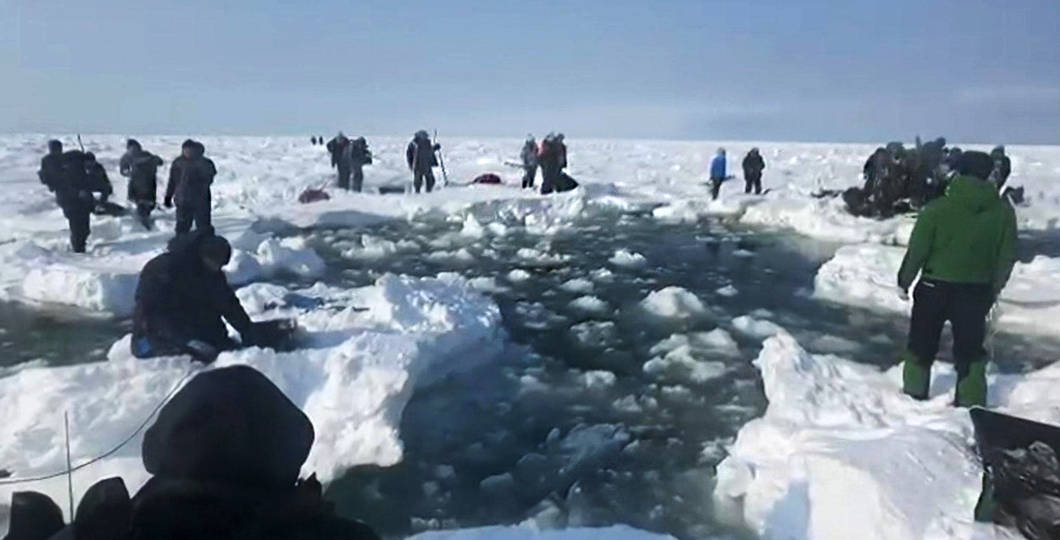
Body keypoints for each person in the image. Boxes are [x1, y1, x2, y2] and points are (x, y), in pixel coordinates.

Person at [897, 151, 1018, 408]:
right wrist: (994, 287)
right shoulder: (1003, 213)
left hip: (933, 288)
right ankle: (970, 403)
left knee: (921, 343)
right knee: (971, 351)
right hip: (976, 292)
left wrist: (903, 281)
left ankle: (913, 397)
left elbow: (918, 250)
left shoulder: (936, 209)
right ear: (989, 174)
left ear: (959, 172)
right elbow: (1007, 256)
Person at [131, 228, 254, 364]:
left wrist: (246, 329)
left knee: (225, 351)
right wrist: (185, 341)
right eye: (215, 263)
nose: (217, 268)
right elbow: (151, 313)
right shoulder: (162, 269)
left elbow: (226, 303)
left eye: (221, 265)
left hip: (190, 327)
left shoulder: (211, 272)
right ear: (202, 256)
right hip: (153, 335)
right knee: (195, 357)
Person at [38, 142, 110, 253]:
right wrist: (77, 193)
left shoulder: (87, 166)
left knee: (85, 228)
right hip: (68, 199)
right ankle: (78, 250)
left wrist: (101, 198)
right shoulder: (67, 167)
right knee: (76, 225)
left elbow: (104, 186)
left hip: (83, 200)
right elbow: (63, 185)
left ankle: (80, 245)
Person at [165, 139, 216, 234]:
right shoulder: (178, 162)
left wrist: (197, 180)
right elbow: (172, 181)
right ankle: (180, 246)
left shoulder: (204, 162)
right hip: (182, 200)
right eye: (185, 150)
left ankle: (205, 246)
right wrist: (168, 196)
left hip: (201, 200)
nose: (187, 152)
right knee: (182, 226)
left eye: (190, 150)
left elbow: (209, 178)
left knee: (203, 226)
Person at [120, 138, 165, 229]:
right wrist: (130, 173)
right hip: (136, 184)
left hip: (149, 183)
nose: (133, 150)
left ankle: (145, 221)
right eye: (131, 148)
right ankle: (143, 224)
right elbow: (123, 170)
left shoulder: (146, 155)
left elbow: (159, 162)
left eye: (135, 147)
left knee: (148, 204)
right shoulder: (126, 157)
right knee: (140, 204)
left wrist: (151, 161)